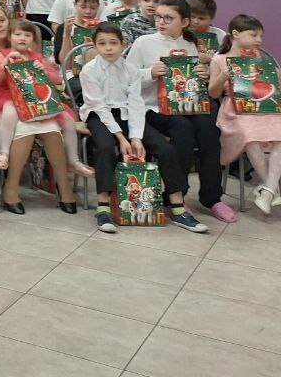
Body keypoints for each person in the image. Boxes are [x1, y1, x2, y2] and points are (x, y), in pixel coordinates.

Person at [82, 22, 197, 233]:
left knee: (165, 149)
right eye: (102, 43)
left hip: (128, 114)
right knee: (105, 147)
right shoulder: (89, 70)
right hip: (99, 115)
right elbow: (99, 106)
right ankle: (103, 208)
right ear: (95, 45)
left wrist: (135, 137)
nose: (108, 48)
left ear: (123, 44)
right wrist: (121, 138)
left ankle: (178, 207)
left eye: (113, 43)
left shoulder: (131, 70)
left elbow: (136, 104)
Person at [126, 0, 226, 226]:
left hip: (186, 104)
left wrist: (202, 75)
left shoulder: (190, 44)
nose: (161, 22)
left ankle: (212, 197)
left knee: (210, 128)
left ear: (184, 22)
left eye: (168, 18)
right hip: (153, 107)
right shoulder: (144, 43)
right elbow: (127, 79)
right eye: (158, 17)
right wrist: (149, 73)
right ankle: (176, 195)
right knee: (182, 129)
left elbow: (191, 81)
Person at [210, 15, 281, 214]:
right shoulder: (219, 59)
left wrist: (273, 74)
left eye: (261, 36)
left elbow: (275, 87)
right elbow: (213, 93)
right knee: (250, 136)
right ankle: (271, 190)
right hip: (235, 110)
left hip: (265, 107)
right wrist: (223, 76)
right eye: (254, 35)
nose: (259, 40)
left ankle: (267, 190)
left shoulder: (261, 58)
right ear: (235, 34)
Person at [0, 20, 92, 178]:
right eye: (18, 34)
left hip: (36, 96)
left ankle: (73, 160)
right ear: (9, 37)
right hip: (10, 94)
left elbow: (57, 79)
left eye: (27, 35)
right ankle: (4, 153)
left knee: (68, 121)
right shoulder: (2, 54)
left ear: (33, 39)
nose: (22, 38)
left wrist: (44, 70)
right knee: (9, 113)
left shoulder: (36, 57)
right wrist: (5, 63)